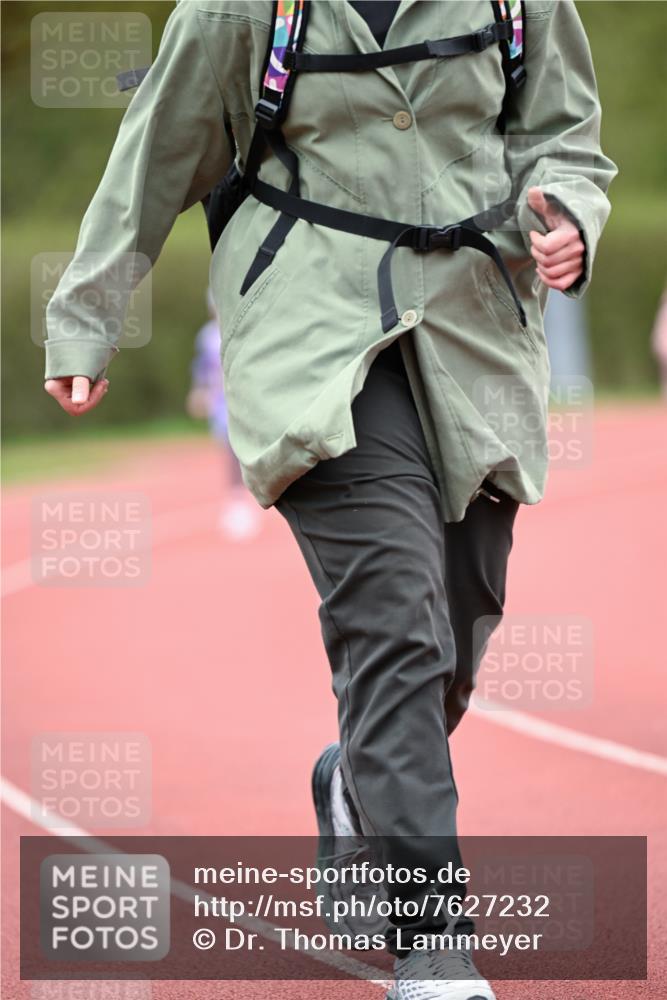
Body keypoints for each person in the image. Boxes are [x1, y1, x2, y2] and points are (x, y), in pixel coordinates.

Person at [43, 2, 617, 997]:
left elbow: (562, 133)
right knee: (391, 617)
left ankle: (360, 778)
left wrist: (566, 210)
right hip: (311, 328)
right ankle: (434, 943)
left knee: (459, 618)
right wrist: (87, 318)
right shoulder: (241, 12)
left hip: (474, 328)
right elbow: (155, 152)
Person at [186, 286, 261, 539]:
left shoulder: (245, 331)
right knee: (230, 453)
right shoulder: (207, 336)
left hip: (246, 404)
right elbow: (202, 368)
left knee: (247, 453)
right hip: (221, 405)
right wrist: (199, 392)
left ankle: (255, 493)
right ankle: (237, 502)